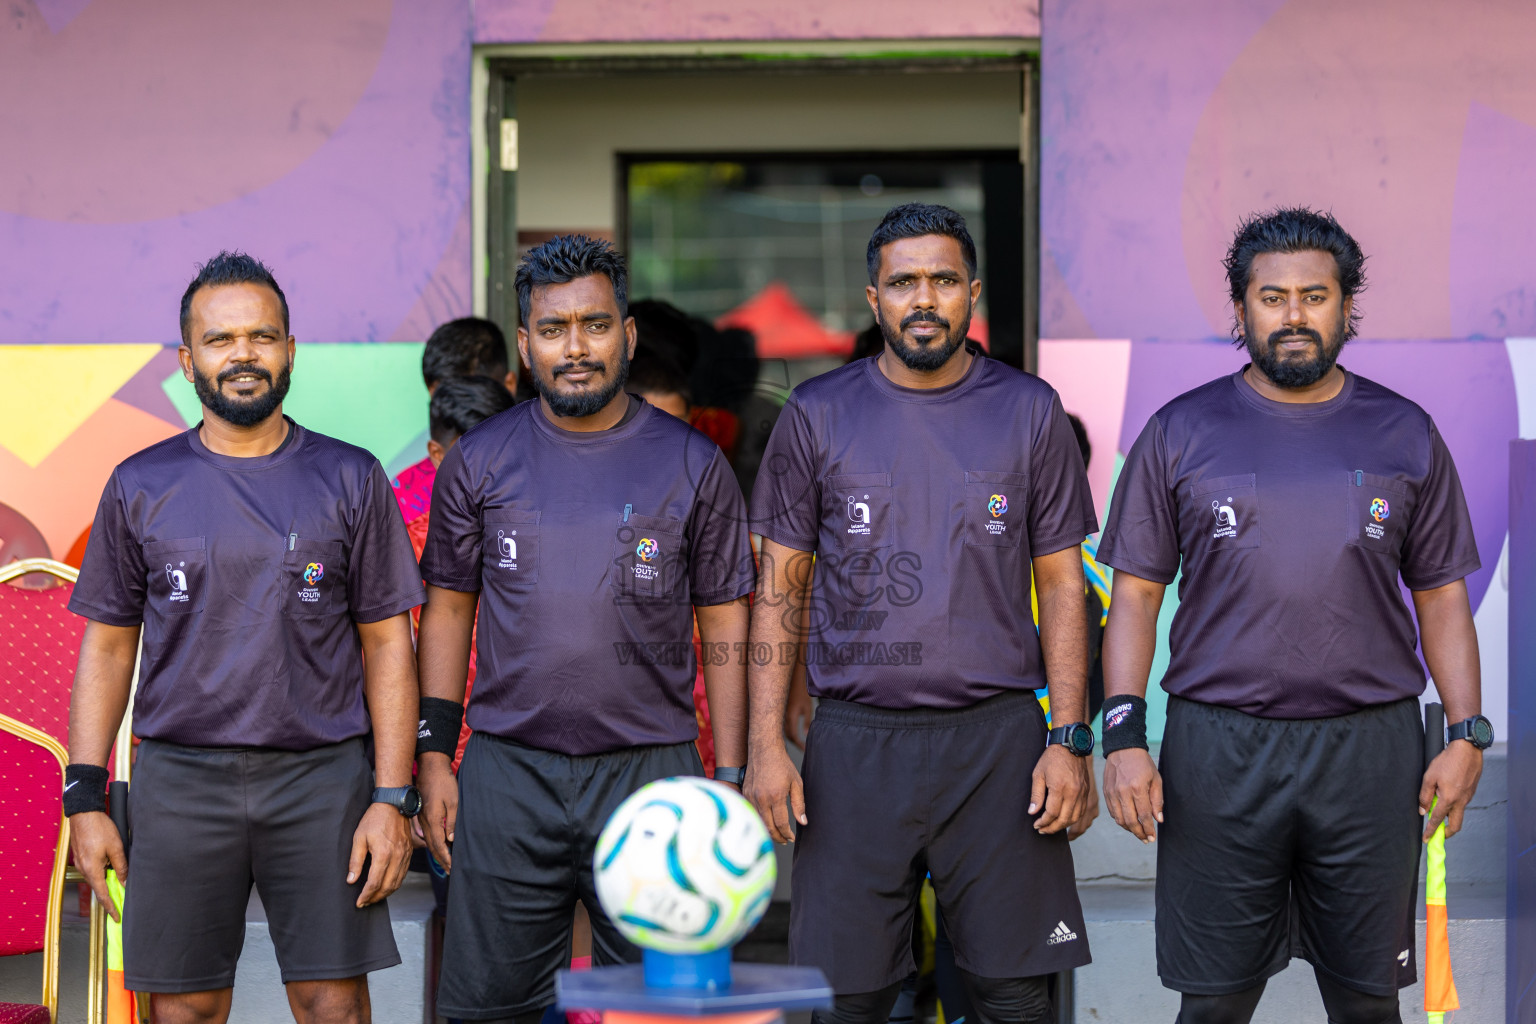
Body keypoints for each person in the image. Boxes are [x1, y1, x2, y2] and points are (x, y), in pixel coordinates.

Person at [1097, 208, 1488, 1024]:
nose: (1295, 315)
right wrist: (1125, 739)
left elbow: (1441, 593)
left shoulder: (1404, 431)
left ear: (1348, 309)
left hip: (1371, 751)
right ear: (1240, 313)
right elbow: (1135, 592)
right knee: (1214, 1003)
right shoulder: (1179, 430)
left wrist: (1464, 732)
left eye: (1315, 295)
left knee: (1366, 1001)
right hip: (1220, 749)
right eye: (1272, 298)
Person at [745, 203, 1098, 1024]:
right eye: (904, 281)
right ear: (873, 298)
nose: (924, 298)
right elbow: (780, 590)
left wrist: (1068, 739)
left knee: (1015, 996)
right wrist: (766, 746)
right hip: (857, 744)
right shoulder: (816, 414)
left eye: (942, 279)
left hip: (999, 742)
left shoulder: (1029, 410)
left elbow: (1064, 586)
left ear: (972, 293)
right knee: (850, 999)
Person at [64, 252, 425, 1024]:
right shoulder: (139, 484)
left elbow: (389, 645)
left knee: (333, 1002)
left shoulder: (351, 478)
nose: (244, 356)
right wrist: (85, 796)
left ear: (291, 350)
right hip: (180, 780)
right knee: (184, 1007)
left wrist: (392, 798)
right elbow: (107, 646)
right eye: (222, 340)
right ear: (189, 358)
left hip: (323, 779)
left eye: (263, 337)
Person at [414, 235, 756, 1023]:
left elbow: (725, 623)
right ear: (526, 344)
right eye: (555, 329)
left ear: (627, 336)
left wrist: (730, 778)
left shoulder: (693, 463)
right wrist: (435, 757)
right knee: (488, 1009)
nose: (576, 348)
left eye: (596, 326)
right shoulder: (479, 461)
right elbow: (450, 610)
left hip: (652, 778)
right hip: (506, 773)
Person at [395, 318, 516, 523]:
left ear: (509, 385)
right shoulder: (403, 506)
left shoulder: (547, 472)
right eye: (440, 400)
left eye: (470, 397)